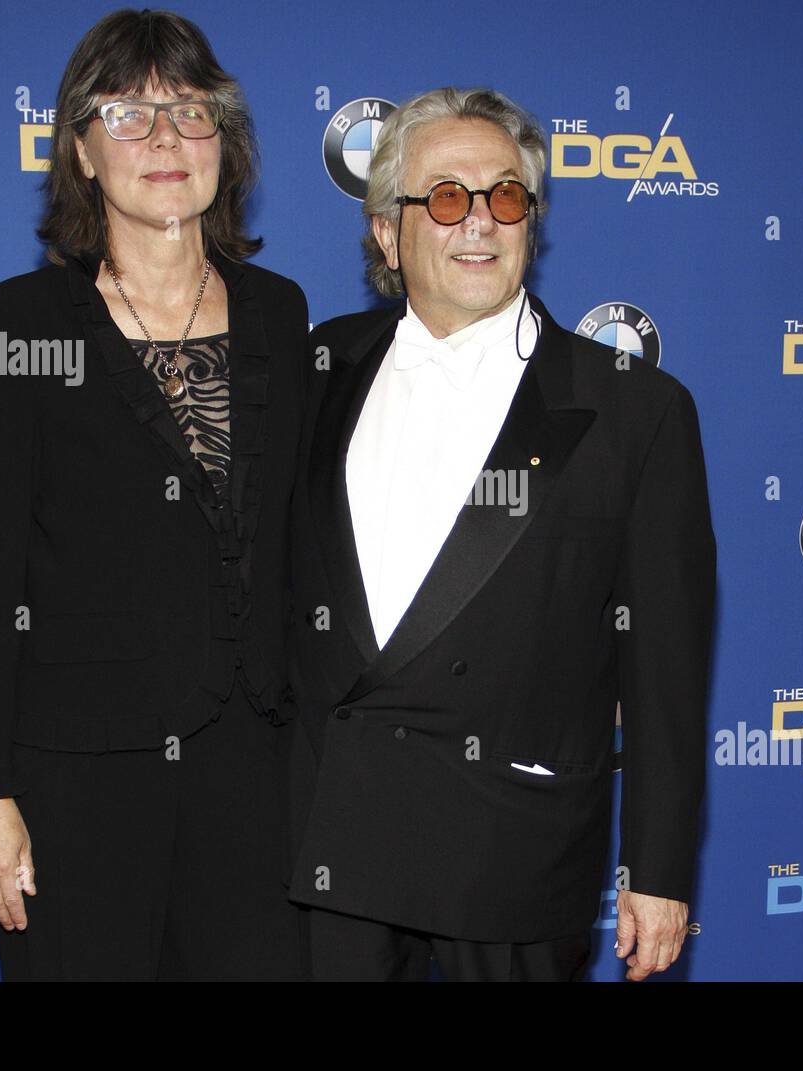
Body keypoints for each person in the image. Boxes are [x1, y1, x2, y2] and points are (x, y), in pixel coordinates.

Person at [285, 87, 717, 981]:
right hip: (334, 840)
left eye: (506, 197)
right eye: (446, 197)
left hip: (515, 843)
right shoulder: (320, 366)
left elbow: (667, 667)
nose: (480, 222)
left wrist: (661, 870)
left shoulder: (634, 409)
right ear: (385, 232)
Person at [0, 9, 308, 981]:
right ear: (81, 150)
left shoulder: (279, 313)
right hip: (78, 774)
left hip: (251, 769)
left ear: (224, 146)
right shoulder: (17, 326)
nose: (165, 140)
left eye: (191, 113)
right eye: (129, 115)